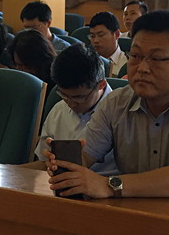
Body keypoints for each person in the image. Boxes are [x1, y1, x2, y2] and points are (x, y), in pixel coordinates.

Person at [44, 9, 169, 200]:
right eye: (135, 56)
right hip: (137, 213)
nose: (142, 68)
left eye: (156, 59)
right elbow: (85, 156)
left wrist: (110, 185)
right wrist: (63, 163)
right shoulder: (115, 104)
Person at [33, 44, 117, 174]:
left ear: (101, 84)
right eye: (64, 95)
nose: (71, 104)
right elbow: (43, 163)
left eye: (79, 97)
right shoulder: (59, 110)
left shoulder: (120, 113)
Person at [88, 11, 128, 76]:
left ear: (116, 34)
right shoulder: (87, 62)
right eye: (92, 36)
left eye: (101, 35)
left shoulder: (127, 64)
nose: (95, 40)